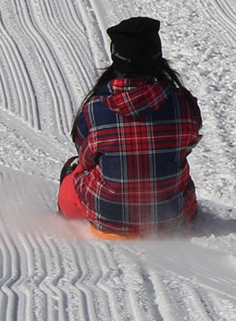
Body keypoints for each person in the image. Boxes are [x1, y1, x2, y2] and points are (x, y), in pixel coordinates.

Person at [58, 16, 203, 237]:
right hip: (170, 219)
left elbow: (85, 156)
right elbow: (189, 143)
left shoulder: (95, 108)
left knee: (74, 172)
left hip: (108, 221)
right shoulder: (182, 103)